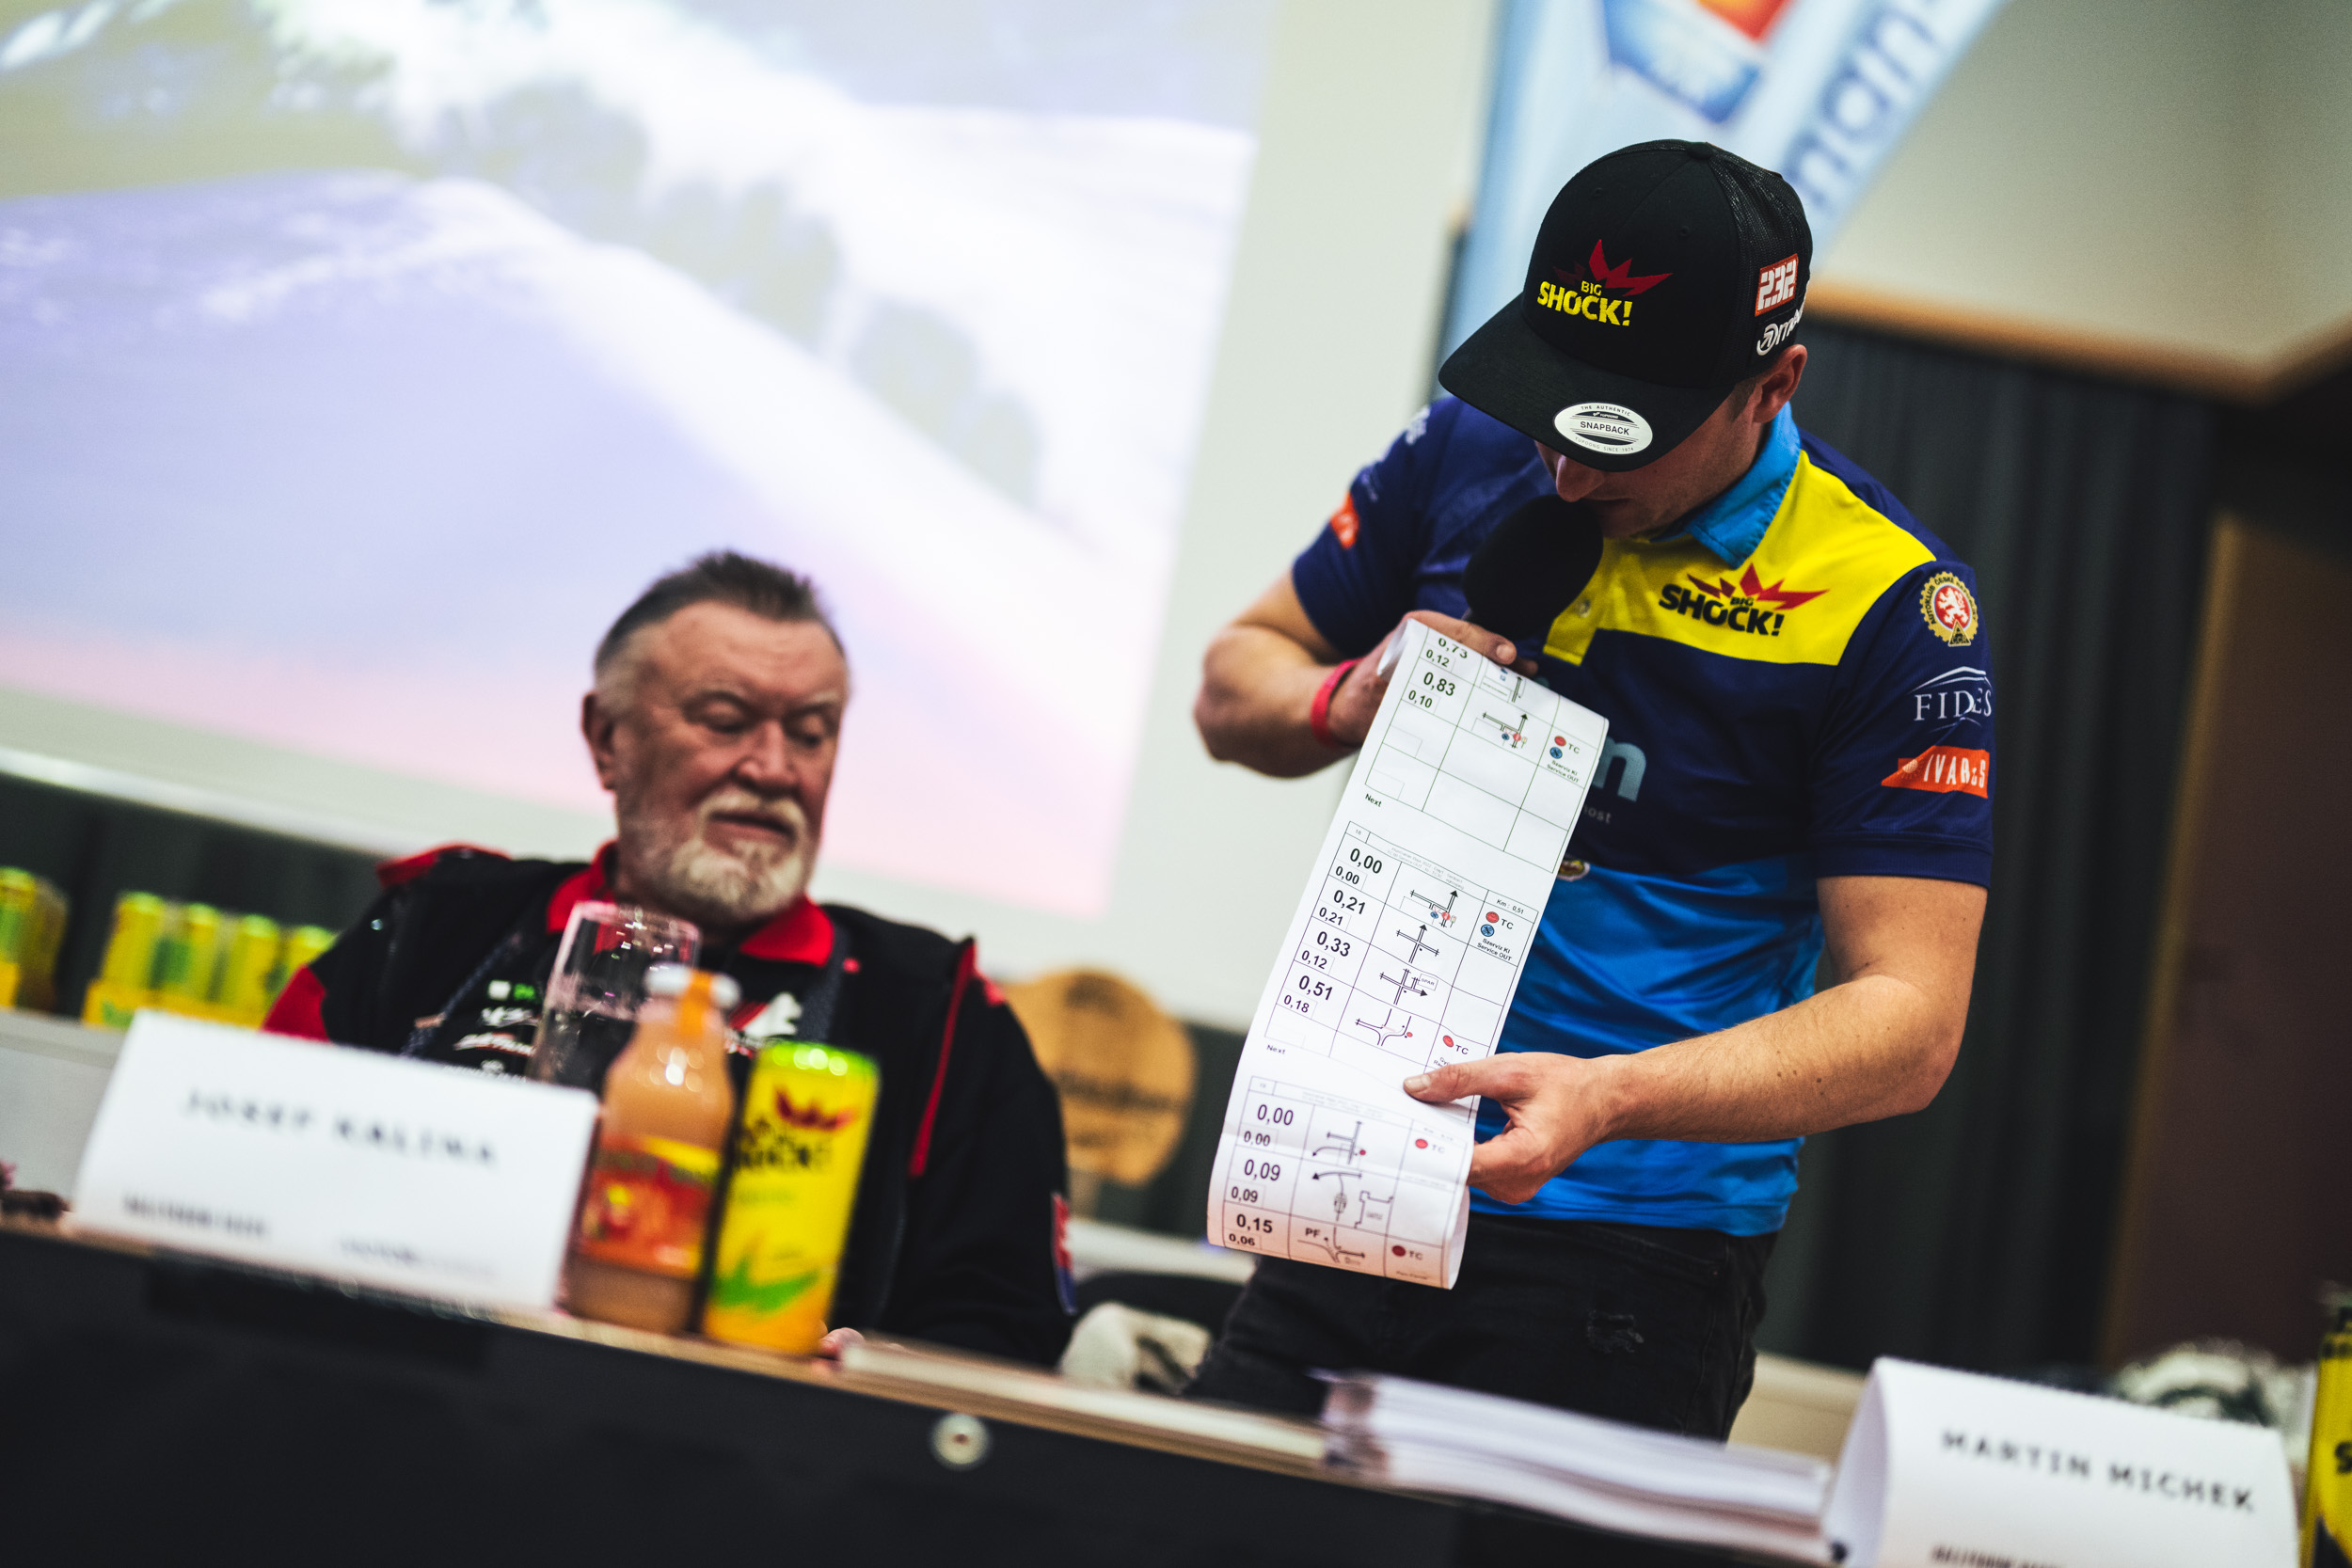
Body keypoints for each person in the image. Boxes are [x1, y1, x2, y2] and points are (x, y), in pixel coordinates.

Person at [1187, 141, 1991, 1433]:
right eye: (1552, 404)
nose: (1566, 469)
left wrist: (1612, 1095)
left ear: (1771, 385)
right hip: (1356, 1171)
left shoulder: (1890, 599)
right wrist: (1342, 697)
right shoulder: (1465, 449)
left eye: (1623, 432)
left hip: (1632, 1252)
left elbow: (1912, 1021)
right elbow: (1233, 681)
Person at [266, 551, 1075, 1367]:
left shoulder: (937, 1009)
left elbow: (1011, 1332)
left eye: (810, 733)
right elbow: (245, 1163)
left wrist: (875, 1366)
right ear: (607, 740)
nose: (773, 768)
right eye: (724, 720)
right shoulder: (442, 922)